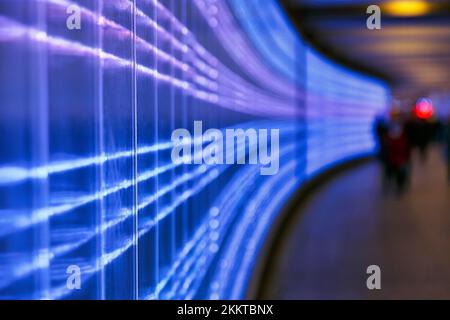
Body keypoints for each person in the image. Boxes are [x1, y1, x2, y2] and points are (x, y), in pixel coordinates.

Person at [385, 118, 412, 195]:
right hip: (394, 159)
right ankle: (397, 185)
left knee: (399, 173)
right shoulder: (390, 138)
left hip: (400, 159)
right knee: (395, 172)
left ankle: (399, 186)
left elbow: (406, 147)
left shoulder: (401, 137)